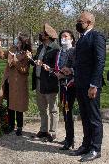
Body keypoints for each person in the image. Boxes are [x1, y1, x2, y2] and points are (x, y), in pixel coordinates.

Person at [63, 11, 106, 162]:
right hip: (80, 84)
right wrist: (72, 70)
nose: (77, 23)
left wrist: (94, 85)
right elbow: (82, 64)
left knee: (94, 117)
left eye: (79, 21)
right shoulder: (81, 39)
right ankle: (86, 145)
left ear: (89, 22)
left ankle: (96, 148)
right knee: (85, 116)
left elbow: (99, 62)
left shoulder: (97, 36)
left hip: (91, 85)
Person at [27, 23, 60, 142]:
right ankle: (43, 130)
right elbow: (37, 62)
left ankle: (52, 132)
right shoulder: (41, 47)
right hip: (39, 81)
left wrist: (48, 67)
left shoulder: (56, 48)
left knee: (53, 109)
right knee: (42, 108)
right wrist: (30, 58)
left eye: (43, 34)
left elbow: (58, 66)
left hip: (50, 82)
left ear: (48, 36)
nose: (40, 35)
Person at [0, 33, 31, 136]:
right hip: (9, 81)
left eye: (19, 41)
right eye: (17, 41)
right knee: (10, 105)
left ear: (24, 43)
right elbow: (2, 55)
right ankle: (10, 125)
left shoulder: (27, 54)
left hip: (19, 84)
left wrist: (15, 61)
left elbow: (25, 70)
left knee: (18, 106)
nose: (17, 43)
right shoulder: (13, 49)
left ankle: (19, 126)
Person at [51, 30, 76, 150]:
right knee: (65, 112)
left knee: (69, 112)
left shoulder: (74, 51)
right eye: (61, 36)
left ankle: (72, 140)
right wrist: (56, 73)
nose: (63, 38)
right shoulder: (60, 52)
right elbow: (58, 67)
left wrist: (66, 74)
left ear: (72, 39)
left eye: (66, 36)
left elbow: (76, 68)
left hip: (72, 86)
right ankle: (68, 138)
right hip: (62, 85)